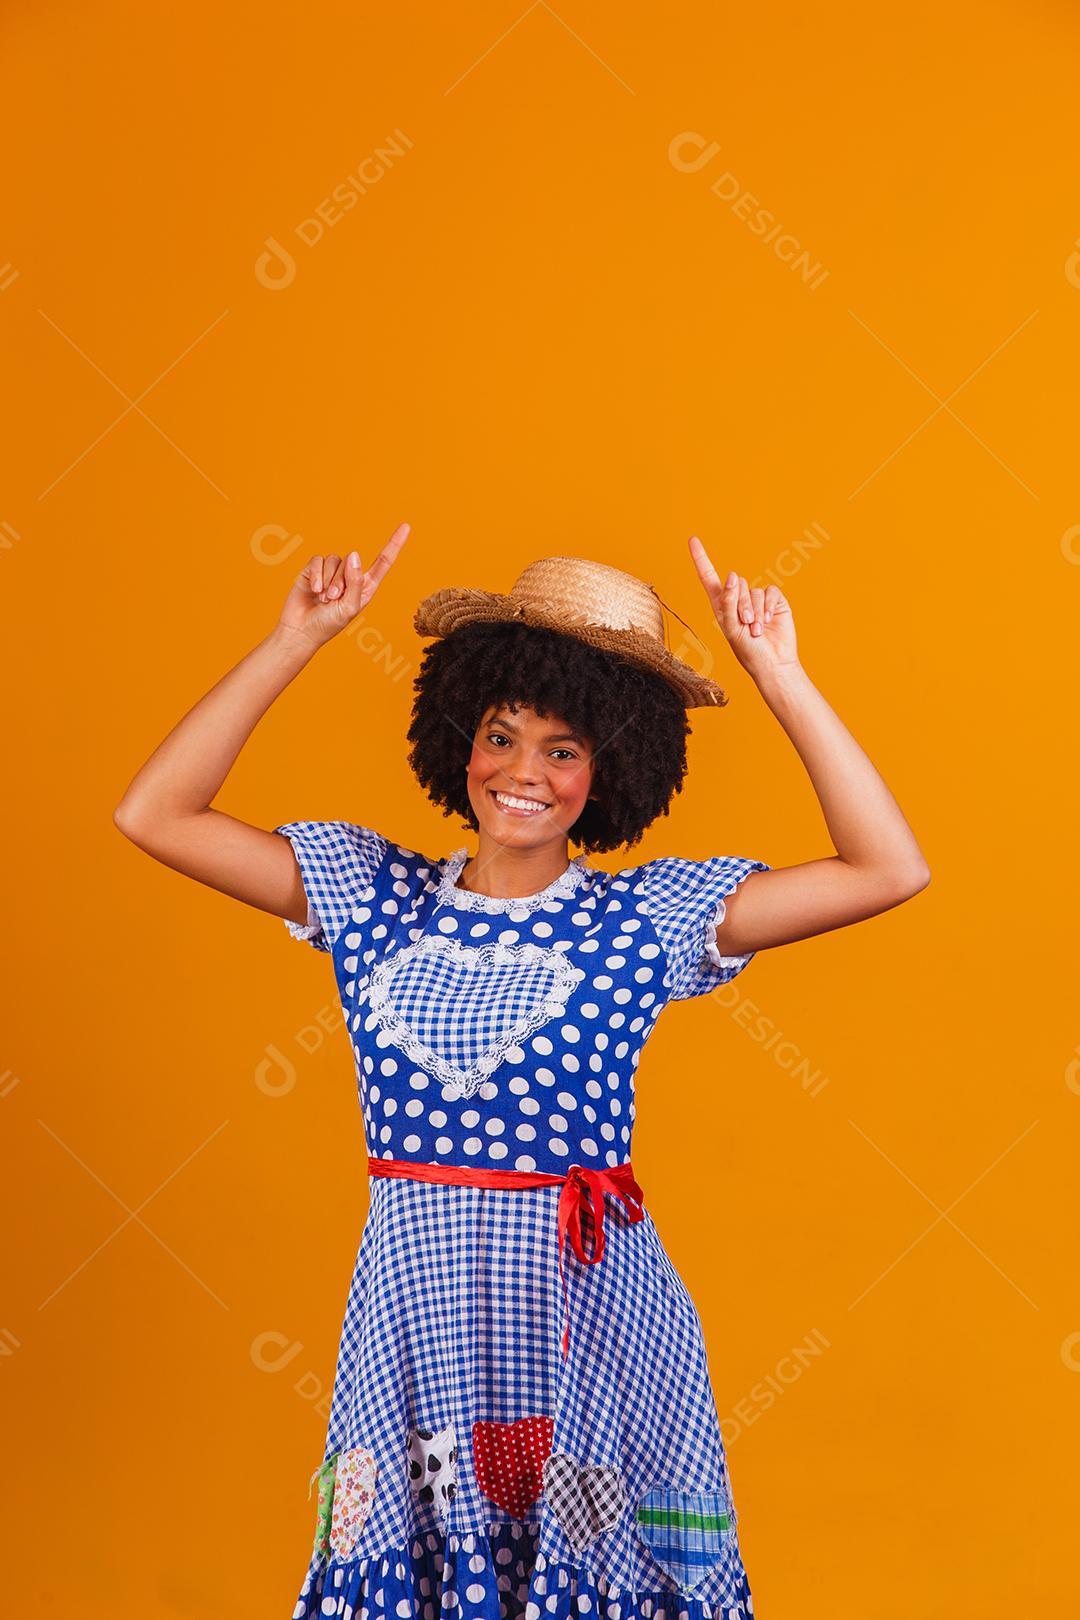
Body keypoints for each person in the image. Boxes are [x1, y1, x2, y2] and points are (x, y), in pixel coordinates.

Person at [114, 524, 930, 1620]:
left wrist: (779, 677)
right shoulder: (373, 896)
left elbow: (889, 867)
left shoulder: (642, 920)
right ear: (462, 736)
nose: (524, 774)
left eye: (563, 750)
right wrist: (294, 639)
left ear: (609, 772)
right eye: (503, 735)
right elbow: (153, 813)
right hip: (418, 1315)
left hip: (590, 1314)